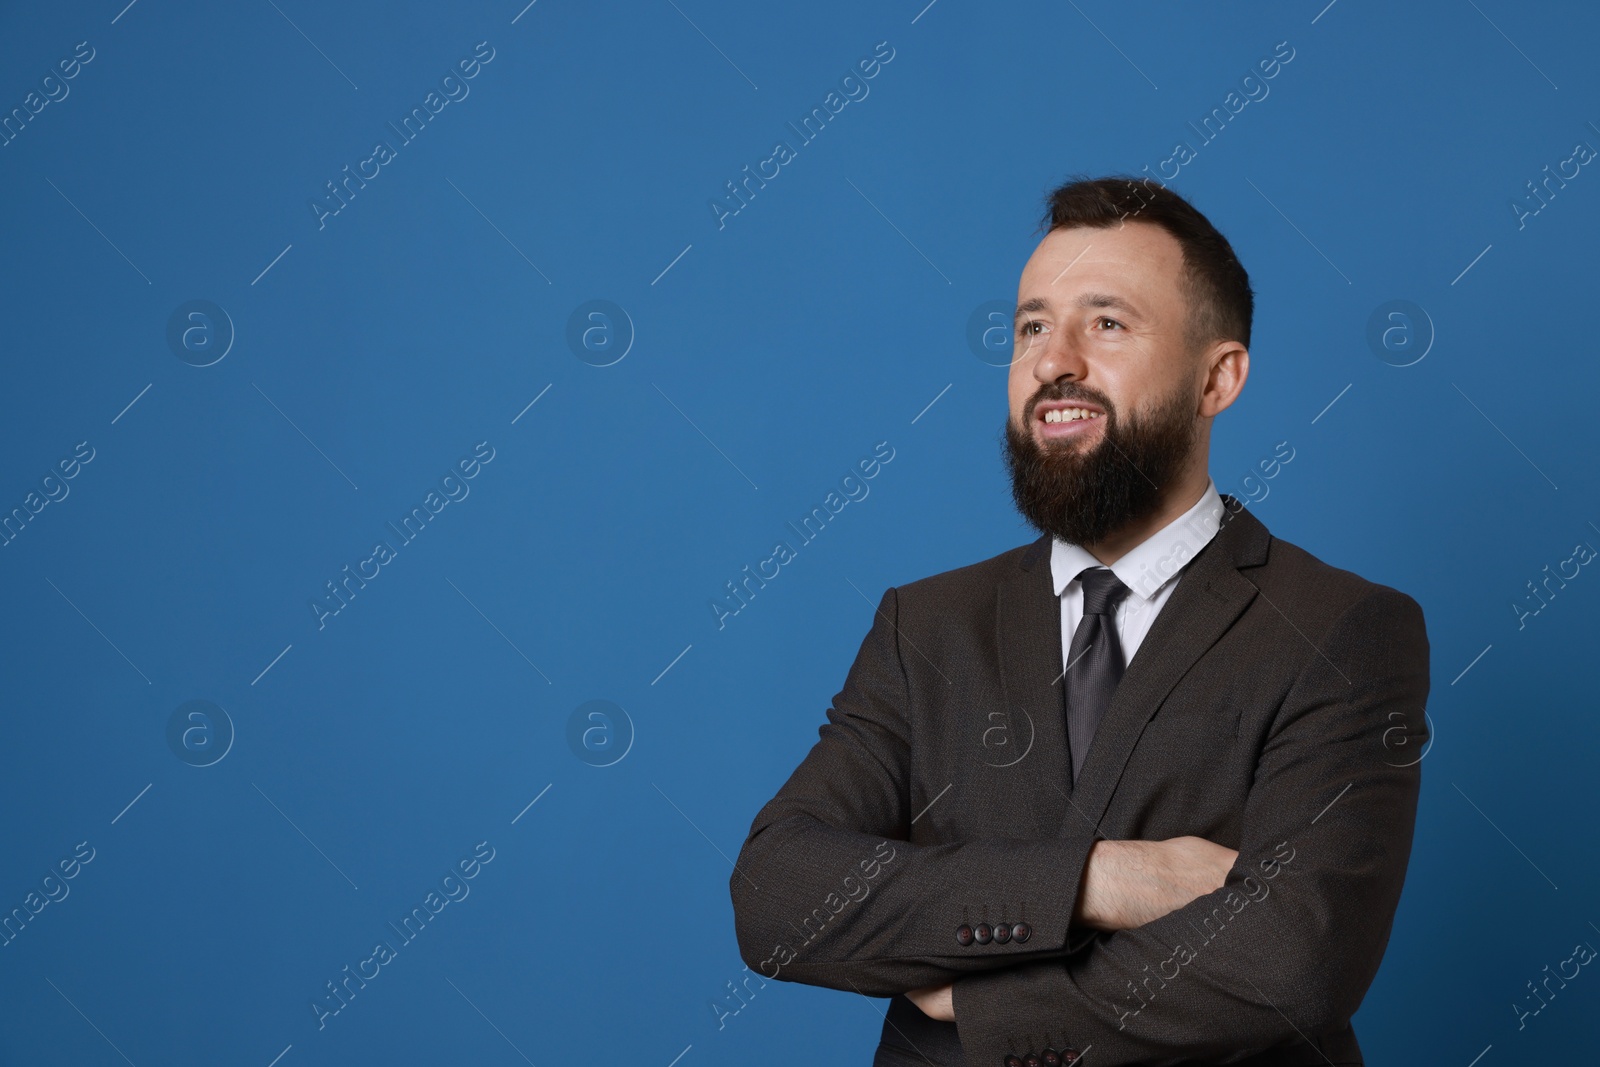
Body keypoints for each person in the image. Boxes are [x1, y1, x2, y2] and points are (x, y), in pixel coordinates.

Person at [728, 175, 1430, 1067]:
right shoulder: (928, 625)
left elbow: (1296, 962)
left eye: (1106, 322)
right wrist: (1101, 880)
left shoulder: (1342, 628)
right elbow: (779, 896)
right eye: (1029, 326)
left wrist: (986, 1004)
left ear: (1218, 377)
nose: (1053, 360)